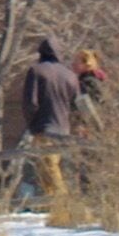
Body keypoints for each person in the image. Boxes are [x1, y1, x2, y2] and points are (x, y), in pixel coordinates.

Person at [20, 38, 82, 198]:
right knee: (50, 168)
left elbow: (30, 103)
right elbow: (78, 104)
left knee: (49, 169)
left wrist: (31, 124)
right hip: (65, 129)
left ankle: (64, 204)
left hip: (44, 127)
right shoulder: (70, 75)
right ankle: (54, 206)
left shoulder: (36, 71)